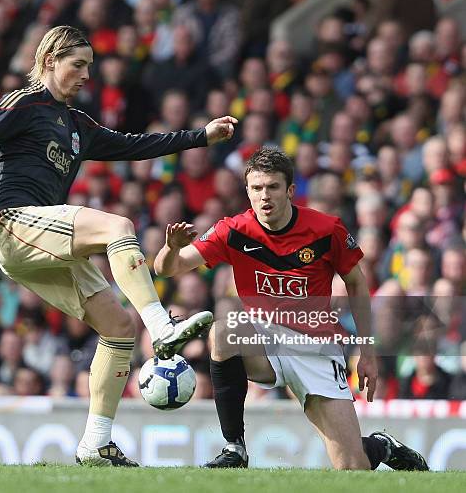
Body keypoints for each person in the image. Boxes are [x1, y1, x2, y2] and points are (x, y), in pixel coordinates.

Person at [0, 25, 237, 467]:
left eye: (89, 65)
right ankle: (161, 326)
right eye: (79, 64)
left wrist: (199, 137)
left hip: (44, 242)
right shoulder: (22, 103)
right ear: (50, 59)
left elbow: (135, 145)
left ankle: (95, 444)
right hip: (12, 224)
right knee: (119, 226)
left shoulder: (77, 125)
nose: (87, 74)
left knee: (118, 328)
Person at [154, 147, 429, 471]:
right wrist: (171, 249)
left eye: (272, 187)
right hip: (263, 340)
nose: (264, 196)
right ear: (247, 191)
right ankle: (235, 448)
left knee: (353, 468)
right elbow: (165, 269)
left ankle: (380, 446)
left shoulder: (326, 231)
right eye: (257, 188)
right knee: (224, 330)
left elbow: (356, 284)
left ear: (290, 190)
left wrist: (367, 352)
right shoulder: (233, 230)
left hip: (315, 348)